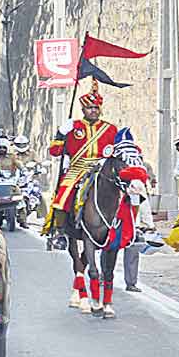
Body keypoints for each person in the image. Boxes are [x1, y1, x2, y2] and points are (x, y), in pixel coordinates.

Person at [41, 80, 119, 238]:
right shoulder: (74, 126)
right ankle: (60, 231)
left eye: (96, 108)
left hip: (102, 167)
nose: (93, 111)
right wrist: (61, 134)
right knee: (63, 194)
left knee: (126, 189)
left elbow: (117, 149)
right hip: (77, 168)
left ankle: (133, 227)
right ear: (83, 109)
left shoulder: (110, 129)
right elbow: (55, 151)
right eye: (90, 108)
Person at [13, 134, 48, 218]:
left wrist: (38, 167)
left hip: (30, 177)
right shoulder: (12, 154)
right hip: (16, 177)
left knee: (37, 192)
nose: (21, 146)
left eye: (23, 144)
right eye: (19, 145)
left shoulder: (32, 153)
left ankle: (43, 216)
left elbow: (39, 162)